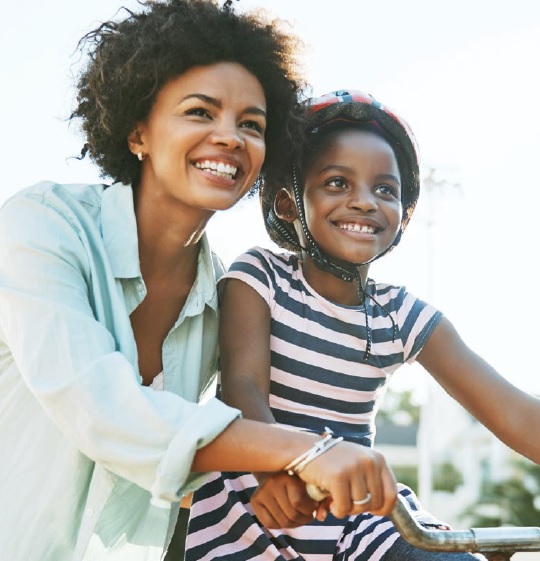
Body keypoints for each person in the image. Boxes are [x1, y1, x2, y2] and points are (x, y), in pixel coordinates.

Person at [0, 5, 403, 560]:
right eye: (200, 112)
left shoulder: (222, 297)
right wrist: (305, 452)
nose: (230, 137)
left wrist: (270, 471)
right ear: (138, 129)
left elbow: (203, 445)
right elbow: (103, 411)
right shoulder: (41, 227)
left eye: (252, 124)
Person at [185, 89, 540, 561]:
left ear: (404, 213)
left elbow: (513, 413)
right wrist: (277, 470)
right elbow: (242, 386)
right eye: (337, 183)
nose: (365, 202)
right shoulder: (260, 276)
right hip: (254, 512)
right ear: (290, 204)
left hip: (357, 525)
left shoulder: (400, 314)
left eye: (385, 190)